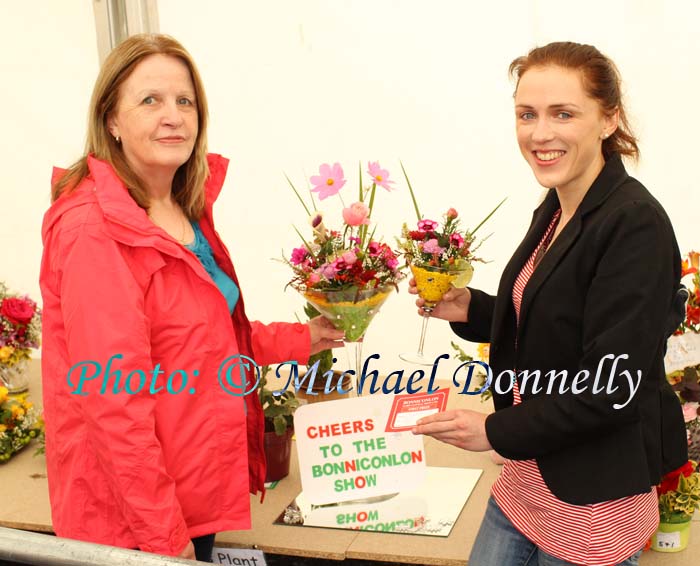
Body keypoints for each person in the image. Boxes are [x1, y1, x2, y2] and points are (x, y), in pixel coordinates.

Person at [39, 33, 344, 562]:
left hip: (189, 496)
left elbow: (205, 340)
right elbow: (114, 405)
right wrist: (165, 543)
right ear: (111, 119)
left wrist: (306, 337)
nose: (173, 116)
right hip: (134, 523)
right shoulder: (94, 229)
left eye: (185, 101)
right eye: (150, 100)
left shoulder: (185, 209)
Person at [411, 42, 688, 566]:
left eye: (564, 113)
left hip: (592, 505)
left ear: (609, 119)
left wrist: (491, 430)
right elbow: (553, 322)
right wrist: (471, 308)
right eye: (527, 114)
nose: (540, 133)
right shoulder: (560, 204)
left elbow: (612, 390)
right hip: (524, 487)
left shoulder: (634, 224)